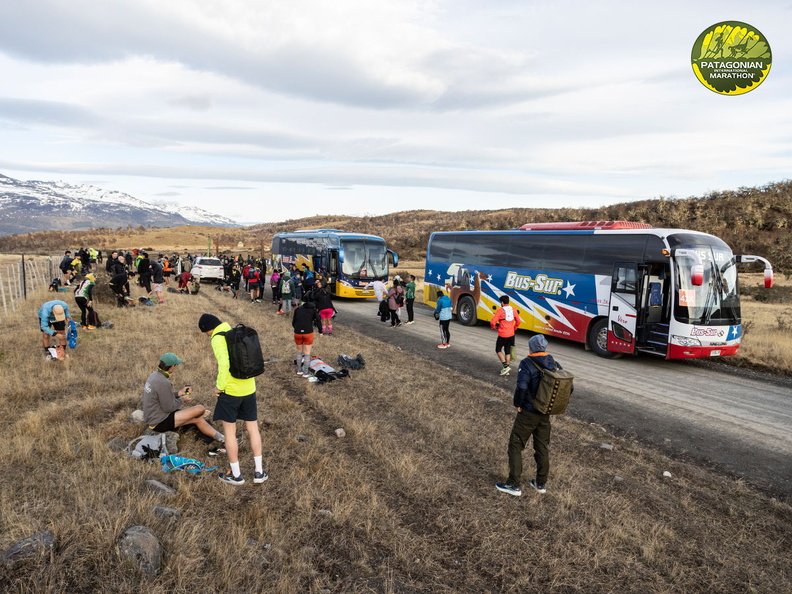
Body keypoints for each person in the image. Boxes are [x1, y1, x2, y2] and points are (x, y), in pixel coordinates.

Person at [198, 314, 267, 485]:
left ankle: (236, 475)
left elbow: (224, 365)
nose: (207, 335)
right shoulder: (234, 332)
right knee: (253, 428)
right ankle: (259, 472)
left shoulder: (217, 338)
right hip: (249, 388)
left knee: (229, 433)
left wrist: (219, 387)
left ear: (209, 329)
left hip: (230, 391)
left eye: (206, 332)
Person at [495, 335, 559, 497]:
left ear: (531, 347)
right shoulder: (554, 363)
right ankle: (540, 483)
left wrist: (518, 404)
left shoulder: (527, 363)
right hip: (545, 413)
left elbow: (522, 386)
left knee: (515, 445)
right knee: (542, 447)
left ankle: (513, 484)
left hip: (529, 412)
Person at [142, 353, 226, 447]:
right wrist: (182, 400)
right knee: (200, 408)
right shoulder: (163, 382)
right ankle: (202, 414)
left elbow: (162, 397)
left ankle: (223, 439)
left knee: (197, 419)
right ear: (172, 366)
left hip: (153, 417)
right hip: (159, 421)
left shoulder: (154, 376)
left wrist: (179, 393)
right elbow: (168, 408)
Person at [490, 295, 523, 376]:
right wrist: (514, 328)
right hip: (511, 334)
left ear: (502, 302)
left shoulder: (500, 311)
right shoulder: (514, 309)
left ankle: (505, 366)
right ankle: (506, 370)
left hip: (502, 334)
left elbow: (492, 322)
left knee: (498, 349)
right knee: (507, 351)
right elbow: (519, 321)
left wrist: (494, 327)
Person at [292, 299, 323, 376]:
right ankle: (305, 372)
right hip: (308, 332)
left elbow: (293, 322)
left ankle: (299, 370)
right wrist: (320, 331)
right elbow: (318, 320)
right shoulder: (313, 310)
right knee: (307, 352)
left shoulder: (298, 309)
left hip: (298, 332)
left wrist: (296, 328)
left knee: (299, 351)